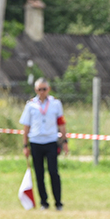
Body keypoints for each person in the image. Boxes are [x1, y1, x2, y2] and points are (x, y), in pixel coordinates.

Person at [20, 78, 67, 211]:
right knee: (39, 174)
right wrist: (25, 145)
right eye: (39, 89)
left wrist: (65, 141)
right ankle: (44, 202)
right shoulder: (30, 105)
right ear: (36, 90)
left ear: (48, 89)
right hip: (36, 142)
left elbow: (61, 123)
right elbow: (26, 126)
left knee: (53, 172)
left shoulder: (56, 103)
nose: (42, 92)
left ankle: (58, 202)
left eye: (44, 89)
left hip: (51, 142)